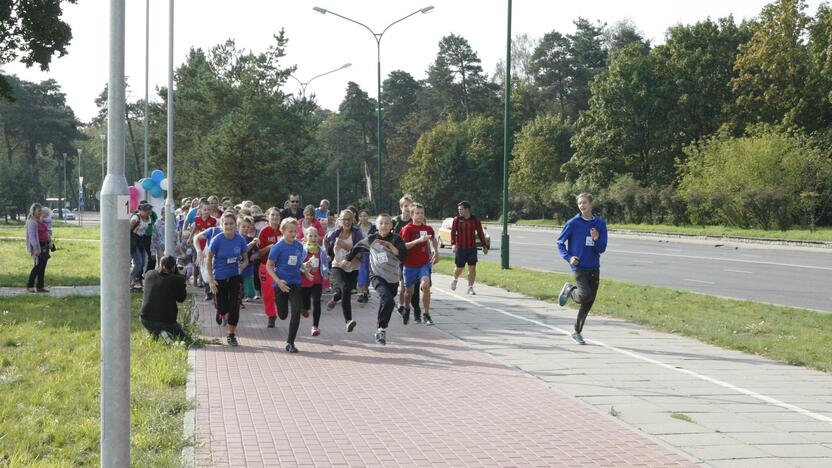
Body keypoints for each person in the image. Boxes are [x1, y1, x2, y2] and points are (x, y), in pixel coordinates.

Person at [343, 213, 408, 345]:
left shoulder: (397, 239)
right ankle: (381, 329)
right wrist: (348, 259)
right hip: (377, 276)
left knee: (387, 302)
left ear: (391, 225)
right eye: (381, 223)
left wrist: (390, 245)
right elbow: (358, 246)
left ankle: (380, 327)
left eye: (387, 223)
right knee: (388, 301)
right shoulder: (372, 238)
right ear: (377, 226)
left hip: (393, 278)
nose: (384, 226)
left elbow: (403, 256)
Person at [557, 193, 608, 345]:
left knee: (588, 302)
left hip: (594, 267)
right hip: (579, 266)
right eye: (579, 203)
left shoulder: (600, 224)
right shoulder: (573, 223)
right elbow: (560, 242)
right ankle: (570, 290)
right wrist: (569, 257)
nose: (582, 205)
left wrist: (597, 238)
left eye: (584, 203)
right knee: (584, 295)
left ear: (591, 204)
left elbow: (602, 248)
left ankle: (577, 332)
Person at [206, 212, 249, 347]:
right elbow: (208, 260)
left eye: (231, 224)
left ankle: (231, 335)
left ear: (235, 225)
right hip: (220, 276)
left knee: (234, 305)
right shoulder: (217, 240)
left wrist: (243, 264)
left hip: (235, 275)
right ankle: (220, 311)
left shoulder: (240, 240)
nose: (229, 226)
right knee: (223, 306)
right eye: (226, 224)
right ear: (222, 225)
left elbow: (245, 258)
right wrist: (211, 280)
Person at [266, 218, 307, 353]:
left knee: (296, 311)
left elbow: (299, 262)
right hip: (281, 284)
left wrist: (306, 271)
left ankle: (290, 343)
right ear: (282, 231)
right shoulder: (277, 247)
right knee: (283, 315)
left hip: (295, 283)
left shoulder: (299, 246)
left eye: (295, 231)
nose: (293, 234)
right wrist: (278, 281)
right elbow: (269, 266)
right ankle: (279, 308)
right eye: (290, 231)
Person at [324, 209, 365, 332]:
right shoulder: (334, 233)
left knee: (345, 291)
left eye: (349, 219)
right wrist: (327, 254)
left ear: (353, 220)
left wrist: (345, 246)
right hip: (338, 266)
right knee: (345, 288)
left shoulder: (357, 234)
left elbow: (360, 254)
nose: (346, 222)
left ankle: (335, 298)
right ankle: (348, 321)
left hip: (353, 268)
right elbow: (325, 240)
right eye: (344, 219)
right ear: (340, 220)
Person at [400, 203, 439, 325]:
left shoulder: (427, 229)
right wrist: (418, 240)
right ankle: (406, 308)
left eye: (422, 213)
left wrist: (435, 251)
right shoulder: (407, 229)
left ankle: (426, 314)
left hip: (423, 264)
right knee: (409, 292)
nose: (420, 215)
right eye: (417, 213)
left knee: (426, 285)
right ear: (411, 214)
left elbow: (433, 240)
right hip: (410, 265)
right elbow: (404, 246)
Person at [140, 255, 190, 343]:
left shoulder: (149, 274)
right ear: (174, 267)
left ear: (160, 264)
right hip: (166, 321)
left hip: (145, 319)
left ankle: (156, 333)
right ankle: (164, 333)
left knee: (156, 327)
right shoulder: (177, 279)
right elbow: (181, 298)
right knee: (184, 338)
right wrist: (181, 279)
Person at [392, 195, 422, 322]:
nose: (407, 208)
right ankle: (400, 302)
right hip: (394, 255)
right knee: (397, 282)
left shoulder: (414, 222)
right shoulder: (395, 221)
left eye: (410, 206)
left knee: (405, 283)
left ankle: (403, 305)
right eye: (405, 206)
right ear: (401, 207)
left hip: (409, 257)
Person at [450, 201, 489, 295]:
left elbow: (480, 233)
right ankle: (455, 279)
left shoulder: (475, 220)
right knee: (459, 268)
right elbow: (452, 233)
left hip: (472, 248)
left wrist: (484, 245)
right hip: (460, 248)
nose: (459, 211)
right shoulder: (457, 220)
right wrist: (453, 244)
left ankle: (470, 287)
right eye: (458, 209)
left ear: (467, 209)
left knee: (472, 268)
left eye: (461, 209)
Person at [300, 226, 329, 337]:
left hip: (317, 281)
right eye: (310, 235)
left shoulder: (321, 251)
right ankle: (304, 308)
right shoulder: (302, 250)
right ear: (305, 237)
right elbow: (299, 263)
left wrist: (326, 273)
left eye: (315, 236)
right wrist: (306, 264)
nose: (313, 238)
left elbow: (325, 264)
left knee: (316, 301)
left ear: (319, 237)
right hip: (304, 281)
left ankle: (315, 326)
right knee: (305, 302)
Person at [257, 208, 282, 328]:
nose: (275, 217)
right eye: (272, 215)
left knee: (280, 293)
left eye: (277, 215)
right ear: (268, 217)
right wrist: (269, 247)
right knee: (267, 294)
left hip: (281, 267)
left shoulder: (283, 230)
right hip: (265, 266)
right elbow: (259, 253)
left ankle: (281, 310)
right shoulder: (264, 231)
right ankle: (271, 315)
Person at [25, 203, 50, 293]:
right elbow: (32, 236)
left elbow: (46, 231)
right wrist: (35, 248)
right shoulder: (32, 222)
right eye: (39, 211)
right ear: (33, 211)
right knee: (37, 267)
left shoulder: (39, 220)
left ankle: (40, 286)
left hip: (45, 246)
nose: (40, 212)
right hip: (39, 247)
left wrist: (50, 242)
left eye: (41, 210)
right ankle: (30, 286)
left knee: (42, 267)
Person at [130, 203, 153, 290]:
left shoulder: (148, 219)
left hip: (141, 241)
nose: (149, 212)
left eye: (150, 210)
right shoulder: (136, 218)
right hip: (133, 241)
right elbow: (128, 229)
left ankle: (134, 279)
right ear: (141, 210)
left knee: (143, 263)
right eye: (147, 210)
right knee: (138, 263)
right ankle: (130, 280)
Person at [238, 216, 259, 302]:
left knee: (249, 289)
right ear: (238, 227)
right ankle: (239, 297)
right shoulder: (236, 239)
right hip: (237, 264)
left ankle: (248, 295)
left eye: (248, 227)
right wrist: (251, 244)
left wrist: (255, 255)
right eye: (243, 226)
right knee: (238, 283)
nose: (246, 229)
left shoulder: (250, 239)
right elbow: (243, 250)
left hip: (249, 265)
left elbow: (257, 251)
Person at [355, 209, 373, 304]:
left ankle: (365, 292)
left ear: (368, 217)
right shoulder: (356, 228)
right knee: (361, 273)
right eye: (361, 216)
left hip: (369, 253)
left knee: (366, 273)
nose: (363, 218)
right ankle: (361, 293)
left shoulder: (373, 228)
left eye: (365, 216)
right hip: (358, 253)